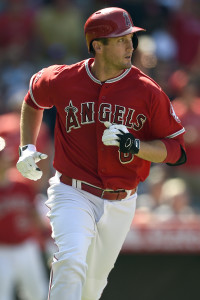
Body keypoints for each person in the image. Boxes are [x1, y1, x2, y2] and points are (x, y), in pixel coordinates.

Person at [16, 7, 187, 300]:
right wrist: (26, 147)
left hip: (121, 200)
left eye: (131, 38)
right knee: (70, 262)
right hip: (73, 191)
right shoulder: (65, 78)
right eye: (121, 39)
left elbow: (176, 151)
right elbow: (33, 99)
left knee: (91, 289)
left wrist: (135, 146)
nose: (130, 46)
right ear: (98, 45)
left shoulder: (148, 91)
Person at [0, 137, 49, 300]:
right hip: (2, 250)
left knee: (37, 294)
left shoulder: (23, 185)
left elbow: (34, 213)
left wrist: (46, 236)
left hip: (26, 246)